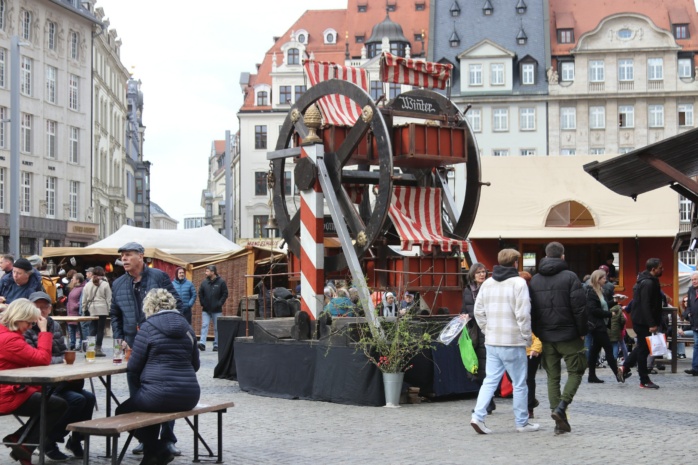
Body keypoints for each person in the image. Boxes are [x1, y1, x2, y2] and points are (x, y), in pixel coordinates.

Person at [110, 242, 183, 456]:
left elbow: (176, 302)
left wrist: (163, 329)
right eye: (122, 255)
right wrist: (119, 337)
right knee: (137, 391)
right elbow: (115, 314)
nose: (124, 259)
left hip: (159, 343)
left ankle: (168, 439)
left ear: (141, 256)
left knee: (166, 390)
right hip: (133, 345)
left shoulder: (158, 277)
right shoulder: (118, 284)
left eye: (128, 255)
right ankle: (147, 439)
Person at [115, 289, 200, 465]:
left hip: (158, 395)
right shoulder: (188, 329)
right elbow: (196, 365)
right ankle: (151, 456)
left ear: (149, 306)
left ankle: (156, 448)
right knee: (148, 407)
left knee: (122, 411)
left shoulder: (148, 327)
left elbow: (134, 367)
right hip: (189, 396)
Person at [470, 249, 538, 434]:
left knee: (490, 381)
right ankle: (521, 422)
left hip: (493, 339)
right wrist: (526, 337)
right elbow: (523, 314)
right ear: (515, 262)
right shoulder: (519, 283)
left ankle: (478, 415)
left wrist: (486, 329)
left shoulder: (488, 283)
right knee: (519, 383)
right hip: (513, 340)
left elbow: (478, 311)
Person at [24, 292, 95, 460]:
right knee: (77, 400)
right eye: (37, 307)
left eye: (45, 307)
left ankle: (76, 440)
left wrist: (63, 361)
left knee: (89, 398)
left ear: (50, 309)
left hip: (57, 379)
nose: (41, 311)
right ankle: (49, 440)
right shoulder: (26, 328)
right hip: (39, 382)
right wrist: (60, 360)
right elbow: (36, 358)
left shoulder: (53, 325)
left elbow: (63, 352)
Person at [529, 242, 587, 435]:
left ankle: (558, 420)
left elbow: (533, 311)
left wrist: (538, 332)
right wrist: (582, 331)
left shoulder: (535, 280)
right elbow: (579, 308)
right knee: (576, 372)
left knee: (552, 377)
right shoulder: (570, 277)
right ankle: (562, 407)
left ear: (546, 256)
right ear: (562, 256)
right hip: (569, 334)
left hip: (546, 336)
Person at [0, 299, 68, 465]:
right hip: (6, 394)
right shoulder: (10, 340)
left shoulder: (8, 334)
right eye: (29, 323)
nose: (31, 327)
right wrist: (44, 331)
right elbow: (43, 359)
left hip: (13, 389)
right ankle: (24, 444)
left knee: (72, 399)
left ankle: (21, 441)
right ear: (19, 318)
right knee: (58, 405)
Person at [619, 258, 664, 389]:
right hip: (643, 322)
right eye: (660, 268)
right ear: (653, 269)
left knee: (642, 347)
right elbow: (646, 305)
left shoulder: (647, 281)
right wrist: (652, 323)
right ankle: (643, 380)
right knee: (643, 350)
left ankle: (625, 367)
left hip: (642, 320)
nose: (662, 269)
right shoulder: (648, 283)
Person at [461, 263, 495, 414]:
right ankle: (489, 401)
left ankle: (486, 403)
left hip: (487, 330)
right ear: (472, 275)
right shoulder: (468, 290)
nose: (482, 275)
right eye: (478, 272)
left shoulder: (490, 288)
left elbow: (490, 311)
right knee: (477, 368)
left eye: (484, 272)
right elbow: (464, 308)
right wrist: (463, 315)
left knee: (486, 367)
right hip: (474, 331)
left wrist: (472, 315)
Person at [585, 270, 623, 384]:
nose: (605, 280)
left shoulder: (600, 291)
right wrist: (609, 314)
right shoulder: (591, 291)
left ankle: (591, 376)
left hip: (600, 324)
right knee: (608, 348)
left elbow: (604, 306)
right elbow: (594, 310)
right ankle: (618, 374)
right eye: (603, 278)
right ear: (597, 279)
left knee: (594, 350)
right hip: (596, 325)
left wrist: (616, 301)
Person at [82, 266, 112, 357]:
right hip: (102, 308)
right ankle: (98, 349)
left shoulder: (87, 285)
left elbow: (84, 299)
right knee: (100, 330)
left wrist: (84, 309)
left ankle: (90, 349)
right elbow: (109, 299)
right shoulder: (105, 284)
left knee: (92, 329)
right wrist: (110, 309)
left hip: (92, 308)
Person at [197, 265, 228, 352]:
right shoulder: (204, 283)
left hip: (217, 310)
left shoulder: (221, 282)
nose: (205, 273)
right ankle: (202, 343)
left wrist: (220, 303)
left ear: (213, 272)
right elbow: (200, 293)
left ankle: (216, 344)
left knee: (217, 327)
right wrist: (203, 303)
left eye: (207, 271)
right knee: (204, 325)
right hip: (206, 309)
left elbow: (225, 293)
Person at [683, 271, 698, 376]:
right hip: (695, 322)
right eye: (692, 279)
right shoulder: (691, 290)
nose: (694, 281)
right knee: (697, 345)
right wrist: (688, 314)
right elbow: (688, 306)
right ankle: (695, 368)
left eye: (696, 279)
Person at [66, 273, 86, 350]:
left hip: (77, 312)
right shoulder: (74, 288)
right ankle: (72, 344)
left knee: (79, 329)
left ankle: (81, 344)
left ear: (77, 280)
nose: (72, 280)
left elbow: (81, 300)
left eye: (73, 278)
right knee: (71, 329)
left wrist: (76, 306)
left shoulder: (82, 289)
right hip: (70, 313)